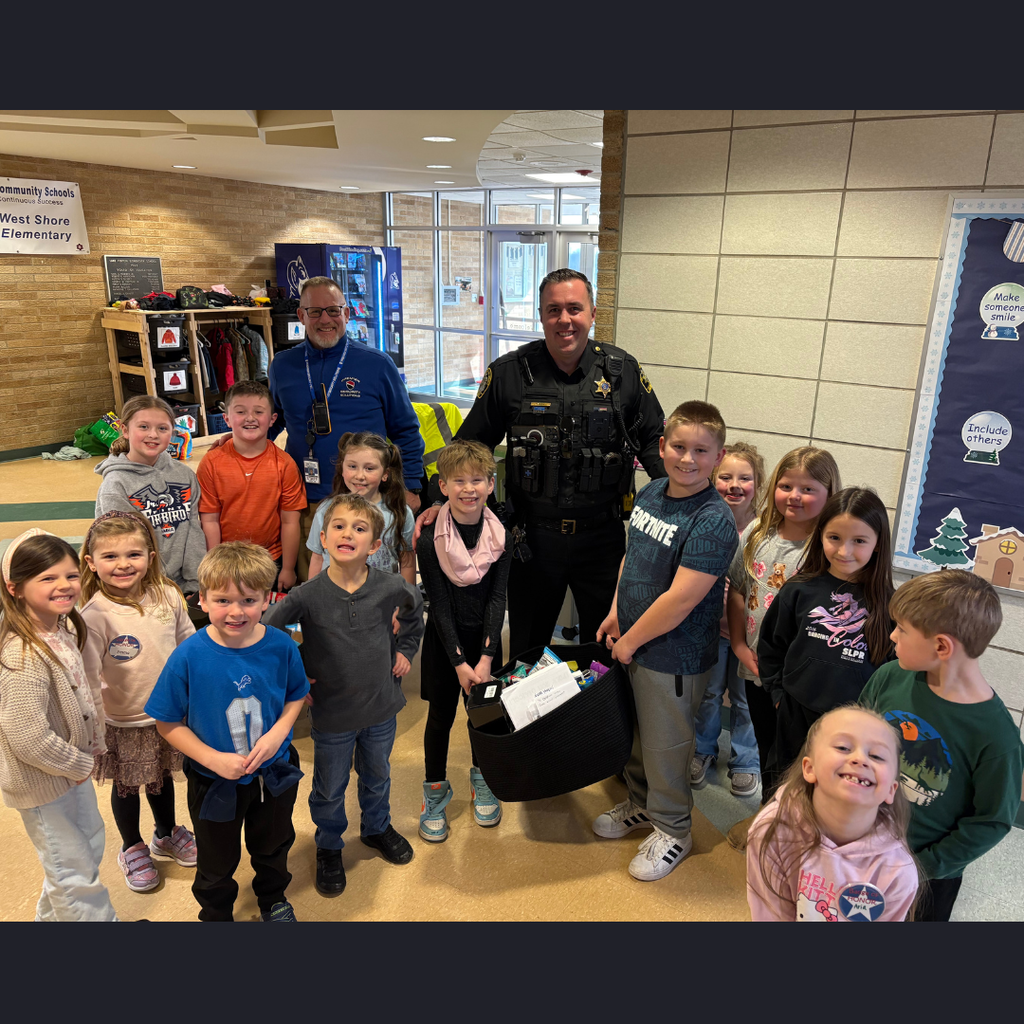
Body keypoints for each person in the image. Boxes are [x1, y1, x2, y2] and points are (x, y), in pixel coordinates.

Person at [416, 268, 665, 661]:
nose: (564, 320)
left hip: (602, 539)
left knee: (607, 649)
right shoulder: (510, 373)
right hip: (531, 540)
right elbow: (468, 446)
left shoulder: (622, 371)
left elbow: (654, 440)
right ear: (540, 315)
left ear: (593, 312)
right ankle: (532, 725)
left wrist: (681, 499)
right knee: (527, 650)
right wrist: (437, 498)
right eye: (553, 310)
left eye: (574, 309)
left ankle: (598, 722)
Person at [591, 401, 738, 881]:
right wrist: (616, 611)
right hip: (633, 640)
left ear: (717, 458)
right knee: (635, 737)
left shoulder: (714, 520)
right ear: (661, 447)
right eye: (679, 446)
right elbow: (631, 561)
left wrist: (630, 640)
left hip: (673, 654)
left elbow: (681, 600)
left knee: (665, 746)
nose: (688, 459)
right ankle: (640, 804)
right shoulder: (652, 491)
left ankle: (674, 829)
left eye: (701, 450)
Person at [263, 493, 424, 898]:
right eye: (338, 526)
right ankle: (329, 845)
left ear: (375, 545)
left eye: (359, 528)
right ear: (323, 535)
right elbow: (268, 633)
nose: (346, 533)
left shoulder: (390, 586)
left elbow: (414, 612)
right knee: (330, 787)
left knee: (377, 776)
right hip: (332, 715)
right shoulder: (306, 594)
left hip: (381, 708)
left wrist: (404, 651)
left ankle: (376, 828)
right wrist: (297, 674)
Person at [145, 542, 309, 923]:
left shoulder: (282, 646)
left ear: (267, 599)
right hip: (212, 780)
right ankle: (216, 913)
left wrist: (277, 735)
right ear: (201, 599)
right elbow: (166, 721)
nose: (236, 611)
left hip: (274, 773)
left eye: (249, 600)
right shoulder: (188, 655)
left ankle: (273, 899)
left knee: (273, 845)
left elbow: (296, 696)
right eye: (223, 600)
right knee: (216, 858)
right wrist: (212, 759)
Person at [859, 570, 1024, 922]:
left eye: (902, 629)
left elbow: (991, 821)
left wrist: (921, 868)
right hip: (860, 845)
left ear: (941, 646)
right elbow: (857, 737)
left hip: (928, 877)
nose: (892, 636)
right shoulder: (889, 677)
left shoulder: (998, 738)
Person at [724, 446, 842, 852]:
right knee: (767, 746)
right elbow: (739, 590)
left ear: (829, 492)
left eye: (808, 489)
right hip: (756, 666)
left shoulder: (828, 547)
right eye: (787, 485)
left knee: (801, 754)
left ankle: (800, 827)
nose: (794, 496)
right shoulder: (756, 533)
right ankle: (767, 815)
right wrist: (739, 644)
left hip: (803, 679)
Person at [268, 275, 425, 580]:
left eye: (333, 310)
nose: (325, 319)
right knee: (315, 585)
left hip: (371, 498)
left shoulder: (376, 364)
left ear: (347, 313)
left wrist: (411, 485)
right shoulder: (282, 365)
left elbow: (405, 428)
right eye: (315, 311)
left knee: (373, 584)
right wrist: (237, 444)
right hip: (308, 499)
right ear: (301, 316)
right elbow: (273, 420)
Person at [0, 529, 119, 921]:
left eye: (70, 575)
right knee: (74, 872)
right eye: (47, 578)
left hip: (68, 773)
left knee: (85, 848)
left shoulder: (61, 628)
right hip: (44, 782)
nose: (64, 585)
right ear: (14, 588)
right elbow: (28, 737)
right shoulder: (22, 655)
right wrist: (80, 764)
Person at [80, 510, 198, 893]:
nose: (123, 564)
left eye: (133, 554)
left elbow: (188, 646)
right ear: (91, 563)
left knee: (162, 778)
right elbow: (87, 678)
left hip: (167, 716)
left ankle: (165, 833)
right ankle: (132, 845)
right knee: (128, 787)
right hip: (122, 720)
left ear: (150, 555)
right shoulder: (94, 615)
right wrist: (94, 727)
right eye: (110, 556)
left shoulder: (167, 594)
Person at [757, 487, 895, 794]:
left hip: (856, 725)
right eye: (835, 538)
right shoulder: (799, 589)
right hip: (795, 710)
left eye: (859, 541)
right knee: (783, 784)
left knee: (835, 794)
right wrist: (778, 691)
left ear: (877, 544)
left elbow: (895, 670)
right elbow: (771, 645)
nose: (844, 551)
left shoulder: (891, 605)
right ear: (820, 535)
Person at [415, 439, 512, 842]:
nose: (469, 489)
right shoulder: (427, 539)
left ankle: (483, 779)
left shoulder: (500, 534)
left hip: (485, 646)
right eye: (459, 481)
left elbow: (497, 598)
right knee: (440, 718)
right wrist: (459, 663)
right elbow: (438, 604)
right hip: (444, 645)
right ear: (443, 486)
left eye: (478, 480)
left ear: (491, 485)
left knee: (485, 717)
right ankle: (434, 791)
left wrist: (486, 658)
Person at [746, 705, 918, 922]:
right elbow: (769, 915)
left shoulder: (898, 871)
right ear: (809, 768)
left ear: (891, 790)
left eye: (876, 755)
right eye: (843, 747)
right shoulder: (771, 831)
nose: (860, 759)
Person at [691, 441, 765, 797]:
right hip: (709, 630)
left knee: (745, 699)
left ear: (758, 486)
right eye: (726, 476)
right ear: (712, 477)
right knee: (708, 694)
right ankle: (702, 749)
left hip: (750, 636)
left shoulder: (765, 533)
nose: (735, 485)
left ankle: (746, 760)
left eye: (745, 478)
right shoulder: (704, 520)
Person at [196, 380, 306, 591]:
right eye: (241, 411)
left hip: (271, 560)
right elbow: (209, 519)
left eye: (258, 411)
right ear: (226, 418)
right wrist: (215, 564)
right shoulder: (211, 463)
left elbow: (290, 521)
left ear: (273, 419)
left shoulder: (284, 464)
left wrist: (289, 569)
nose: (250, 418)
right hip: (226, 561)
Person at [95, 395, 206, 599]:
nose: (153, 434)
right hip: (137, 590)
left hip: (184, 588)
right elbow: (119, 546)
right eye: (144, 427)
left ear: (173, 432)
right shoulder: (116, 484)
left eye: (162, 428)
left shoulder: (184, 476)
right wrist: (143, 590)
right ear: (125, 430)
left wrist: (195, 582)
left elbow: (192, 529)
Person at [306, 431, 416, 584]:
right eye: (352, 466)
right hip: (334, 599)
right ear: (342, 469)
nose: (360, 475)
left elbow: (407, 561)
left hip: (381, 599)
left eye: (369, 468)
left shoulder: (399, 512)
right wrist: (312, 601)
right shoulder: (326, 510)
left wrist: (407, 602)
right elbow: (317, 558)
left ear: (385, 474)